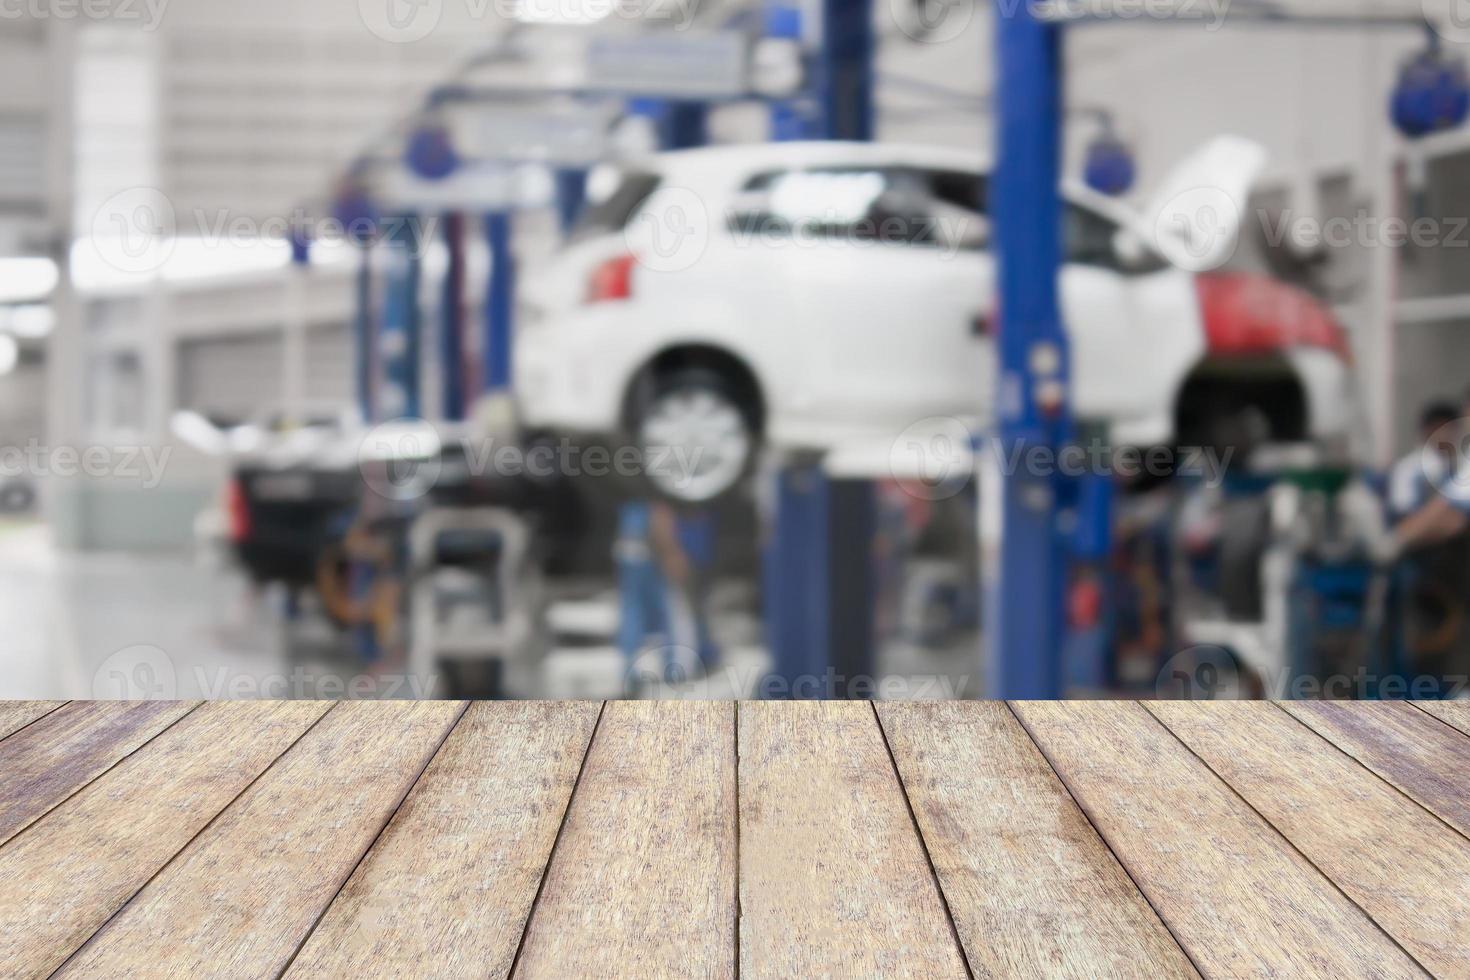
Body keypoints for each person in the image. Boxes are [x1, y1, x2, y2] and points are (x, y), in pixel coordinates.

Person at [1381, 392, 1470, 558]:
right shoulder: (1411, 470)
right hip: (1422, 548)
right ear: (1427, 430)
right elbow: (1405, 515)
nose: (1448, 434)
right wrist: (1398, 540)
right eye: (1441, 428)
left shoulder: (1458, 465)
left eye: (1452, 428)